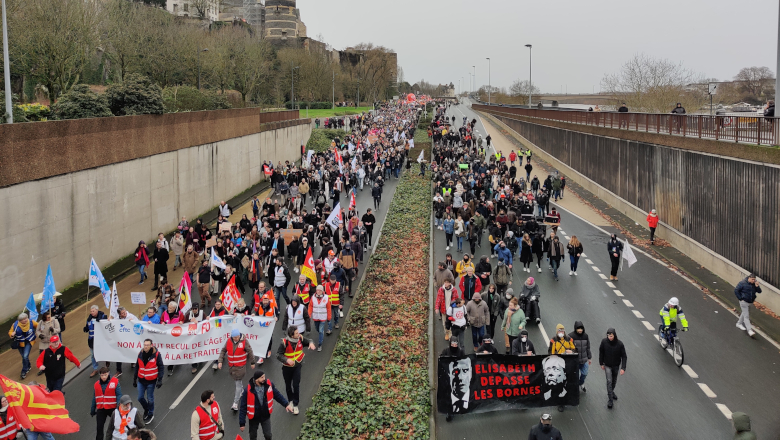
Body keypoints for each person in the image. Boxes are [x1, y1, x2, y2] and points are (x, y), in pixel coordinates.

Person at [238, 370, 294, 440]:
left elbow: (277, 395)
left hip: (265, 415)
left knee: (268, 435)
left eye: (264, 376)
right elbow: (243, 407)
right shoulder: (248, 390)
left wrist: (286, 404)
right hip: (254, 418)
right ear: (256, 379)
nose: (264, 378)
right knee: (252, 436)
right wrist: (242, 423)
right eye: (262, 377)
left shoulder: (269, 385)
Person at [275, 326, 316, 414]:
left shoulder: (300, 338)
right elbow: (278, 355)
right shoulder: (284, 343)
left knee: (296, 385)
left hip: (297, 366)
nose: (299, 334)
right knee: (288, 385)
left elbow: (309, 340)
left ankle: (296, 404)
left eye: (298, 332)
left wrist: (311, 343)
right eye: (297, 333)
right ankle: (290, 400)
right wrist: (286, 360)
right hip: (286, 368)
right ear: (291, 335)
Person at [217, 329, 256, 411]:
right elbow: (223, 350)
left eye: (237, 337)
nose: (236, 339)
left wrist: (252, 362)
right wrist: (220, 361)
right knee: (237, 381)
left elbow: (250, 351)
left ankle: (235, 403)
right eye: (234, 337)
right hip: (232, 367)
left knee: (237, 384)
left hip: (240, 367)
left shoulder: (244, 341)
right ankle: (242, 391)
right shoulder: (228, 341)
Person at [133, 339, 164, 423]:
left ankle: (150, 414)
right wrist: (135, 378)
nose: (145, 346)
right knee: (140, 397)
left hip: (151, 381)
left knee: (150, 398)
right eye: (144, 345)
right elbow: (137, 366)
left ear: (151, 345)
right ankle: (147, 409)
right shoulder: (140, 354)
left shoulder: (156, 355)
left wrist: (160, 379)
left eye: (147, 345)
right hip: (141, 380)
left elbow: (161, 367)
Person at [599, 328, 627, 409]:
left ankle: (611, 391)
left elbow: (624, 356)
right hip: (607, 365)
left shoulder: (620, 344)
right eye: (608, 336)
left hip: (616, 365)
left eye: (611, 336)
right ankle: (610, 399)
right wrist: (601, 363)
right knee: (609, 381)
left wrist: (623, 368)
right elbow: (601, 352)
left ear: (614, 335)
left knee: (614, 380)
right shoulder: (604, 342)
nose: (609, 337)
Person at [92, 367, 122, 440]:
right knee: (99, 428)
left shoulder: (115, 382)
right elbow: (94, 397)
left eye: (105, 375)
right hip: (101, 409)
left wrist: (118, 408)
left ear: (108, 373)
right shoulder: (96, 385)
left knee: (117, 426)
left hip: (112, 408)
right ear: (100, 375)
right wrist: (92, 409)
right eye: (102, 375)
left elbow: (119, 395)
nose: (103, 377)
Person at [9, 313, 38, 380]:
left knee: (25, 356)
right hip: (20, 343)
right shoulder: (15, 325)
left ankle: (24, 371)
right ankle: (28, 366)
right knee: (24, 356)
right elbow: (10, 332)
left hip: (29, 342)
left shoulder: (31, 322)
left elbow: (38, 325)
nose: (25, 320)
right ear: (20, 321)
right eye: (23, 319)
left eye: (26, 318)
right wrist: (12, 334)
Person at [84, 305, 108, 377]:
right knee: (92, 355)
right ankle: (95, 369)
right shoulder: (89, 319)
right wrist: (86, 329)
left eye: (93, 311)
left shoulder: (103, 316)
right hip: (92, 340)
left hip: (100, 340)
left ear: (97, 310)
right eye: (91, 311)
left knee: (103, 353)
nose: (91, 312)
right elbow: (88, 327)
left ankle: (105, 367)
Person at [569, 321, 591, 393]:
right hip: (575, 361)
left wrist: (589, 357)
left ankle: (581, 383)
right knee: (575, 375)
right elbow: (568, 348)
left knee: (584, 374)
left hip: (584, 360)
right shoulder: (571, 336)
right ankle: (574, 387)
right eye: (578, 328)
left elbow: (588, 347)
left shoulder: (586, 336)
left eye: (581, 328)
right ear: (575, 328)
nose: (580, 330)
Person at [308, 286, 331, 352]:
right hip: (316, 317)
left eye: (319, 290)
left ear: (322, 291)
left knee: (320, 331)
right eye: (317, 290)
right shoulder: (313, 297)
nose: (318, 292)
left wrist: (329, 317)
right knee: (317, 329)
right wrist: (309, 315)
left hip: (323, 317)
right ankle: (321, 334)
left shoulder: (326, 298)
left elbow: (329, 308)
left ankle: (319, 345)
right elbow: (310, 306)